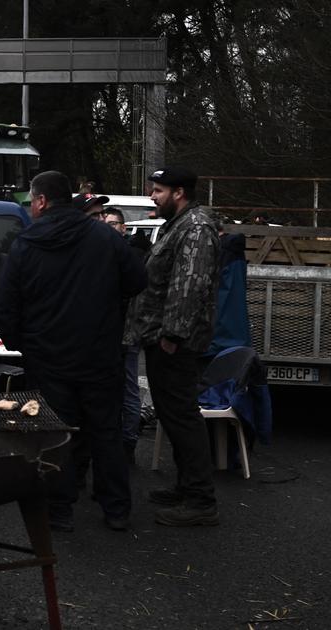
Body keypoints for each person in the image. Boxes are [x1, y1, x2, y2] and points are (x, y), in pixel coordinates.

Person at [0, 171, 147, 532]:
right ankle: (116, 508)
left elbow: (6, 302)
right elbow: (138, 279)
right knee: (105, 431)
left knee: (55, 433)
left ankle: (59, 509)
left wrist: (18, 341)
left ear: (43, 201)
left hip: (47, 356)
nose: (31, 208)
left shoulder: (27, 243)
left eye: (32, 201)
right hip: (99, 352)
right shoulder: (103, 237)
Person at [135, 166, 222, 527]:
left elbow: (189, 286)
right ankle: (186, 487)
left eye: (158, 190)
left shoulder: (196, 227)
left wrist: (173, 335)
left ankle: (201, 500)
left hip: (174, 341)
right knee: (173, 416)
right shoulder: (179, 223)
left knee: (183, 417)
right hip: (162, 336)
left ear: (179, 192)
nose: (153, 196)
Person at [103, 207, 153, 462]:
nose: (109, 227)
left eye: (114, 224)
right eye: (106, 223)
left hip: (127, 332)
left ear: (124, 227)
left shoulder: (129, 254)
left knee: (129, 389)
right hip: (117, 332)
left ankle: (128, 442)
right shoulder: (117, 251)